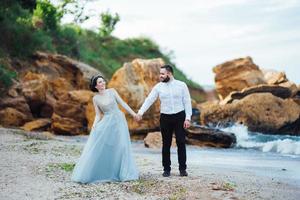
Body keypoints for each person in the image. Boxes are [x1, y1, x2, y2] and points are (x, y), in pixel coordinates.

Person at [71, 75, 139, 183]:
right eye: (100, 82)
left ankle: (124, 173)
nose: (103, 83)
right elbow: (98, 115)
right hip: (107, 122)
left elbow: (122, 103)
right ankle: (107, 171)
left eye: (103, 81)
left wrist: (134, 114)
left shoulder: (112, 91)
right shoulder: (95, 98)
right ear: (96, 86)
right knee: (109, 146)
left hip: (119, 120)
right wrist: (94, 125)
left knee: (122, 145)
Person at [135, 64, 192, 177]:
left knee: (181, 142)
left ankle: (182, 169)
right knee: (166, 143)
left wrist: (188, 118)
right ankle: (166, 169)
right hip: (165, 117)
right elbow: (149, 99)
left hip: (179, 116)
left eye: (162, 74)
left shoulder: (181, 85)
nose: (160, 76)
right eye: (160, 74)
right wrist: (140, 112)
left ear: (169, 73)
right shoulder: (158, 87)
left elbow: (187, 101)